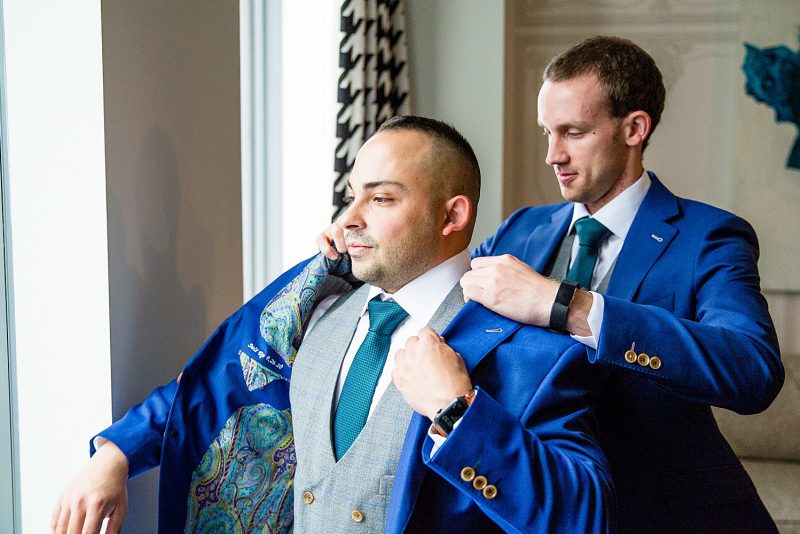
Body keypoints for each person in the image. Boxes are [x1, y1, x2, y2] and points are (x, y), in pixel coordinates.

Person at [52, 116, 613, 533]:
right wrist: (115, 455)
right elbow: (216, 385)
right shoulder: (316, 315)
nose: (348, 220)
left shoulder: (532, 351)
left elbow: (586, 516)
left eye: (382, 198)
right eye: (351, 197)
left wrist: (458, 411)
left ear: (453, 215)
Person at [317, 36, 784, 533]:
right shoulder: (523, 229)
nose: (552, 155)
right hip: (532, 505)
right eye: (547, 132)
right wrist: (348, 254)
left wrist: (567, 306)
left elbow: (752, 369)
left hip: (666, 516)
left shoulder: (708, 237)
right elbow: (438, 279)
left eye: (573, 133)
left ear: (634, 128)